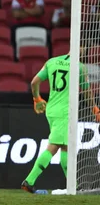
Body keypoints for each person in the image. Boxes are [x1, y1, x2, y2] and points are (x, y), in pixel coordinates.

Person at [21, 54, 99, 193]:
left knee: (65, 146)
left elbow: (34, 82)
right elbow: (86, 90)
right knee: (54, 146)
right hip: (65, 111)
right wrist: (94, 108)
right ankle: (29, 181)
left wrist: (37, 99)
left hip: (51, 109)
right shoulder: (79, 67)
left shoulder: (51, 62)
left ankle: (73, 186)